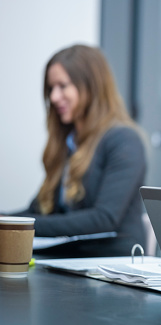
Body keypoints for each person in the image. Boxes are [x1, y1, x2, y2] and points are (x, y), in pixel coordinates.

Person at [8, 44, 147, 257]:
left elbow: (104, 218)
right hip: (70, 260)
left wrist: (24, 226)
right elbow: (38, 210)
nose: (54, 97)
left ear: (91, 87)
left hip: (112, 265)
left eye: (62, 86)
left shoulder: (124, 140)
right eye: (51, 88)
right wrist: (5, 221)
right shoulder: (68, 143)